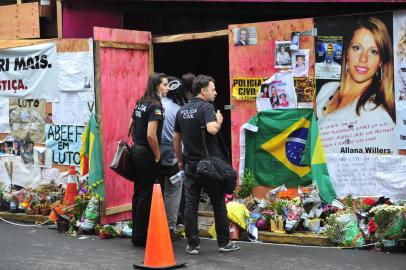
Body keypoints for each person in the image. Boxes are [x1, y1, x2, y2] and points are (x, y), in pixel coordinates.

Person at [174, 75, 240, 254]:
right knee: (218, 203)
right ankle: (224, 243)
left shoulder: (182, 111)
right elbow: (212, 129)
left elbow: (176, 139)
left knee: (191, 204)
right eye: (213, 89)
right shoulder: (207, 108)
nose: (216, 92)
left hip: (190, 164)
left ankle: (192, 244)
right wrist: (219, 120)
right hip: (209, 166)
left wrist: (180, 160)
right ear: (203, 91)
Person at [316, 16, 395, 152]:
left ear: (381, 61)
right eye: (357, 48)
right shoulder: (327, 89)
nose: (363, 58)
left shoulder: (374, 114)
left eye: (373, 51)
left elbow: (389, 170)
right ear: (346, 51)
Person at [129, 72, 168, 247]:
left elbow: (130, 125)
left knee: (138, 193)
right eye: (165, 85)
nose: (167, 88)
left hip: (136, 151)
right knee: (146, 194)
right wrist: (158, 155)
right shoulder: (155, 106)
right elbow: (151, 135)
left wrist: (137, 143)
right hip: (146, 154)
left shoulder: (141, 102)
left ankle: (136, 234)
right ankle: (142, 237)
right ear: (157, 86)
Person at [159, 76, 188, 241]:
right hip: (172, 152)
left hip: (154, 151)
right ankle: (170, 227)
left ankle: (152, 223)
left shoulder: (154, 104)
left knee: (154, 189)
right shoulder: (178, 109)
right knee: (173, 190)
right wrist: (181, 159)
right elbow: (180, 138)